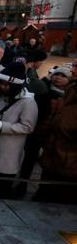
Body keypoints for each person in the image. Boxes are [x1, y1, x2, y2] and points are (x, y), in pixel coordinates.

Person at [0, 62, 38, 198]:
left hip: (7, 154)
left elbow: (27, 127)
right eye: (2, 84)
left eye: (8, 85)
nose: (4, 87)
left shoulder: (28, 102)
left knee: (0, 191)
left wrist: (1, 126)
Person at [35, 65, 76, 204]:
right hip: (53, 152)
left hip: (68, 159)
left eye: (63, 75)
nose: (58, 77)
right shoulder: (56, 94)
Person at [14, 49, 50, 197]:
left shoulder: (15, 73)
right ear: (36, 62)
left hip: (15, 122)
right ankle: (20, 185)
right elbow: (43, 109)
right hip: (31, 126)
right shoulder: (38, 83)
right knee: (27, 158)